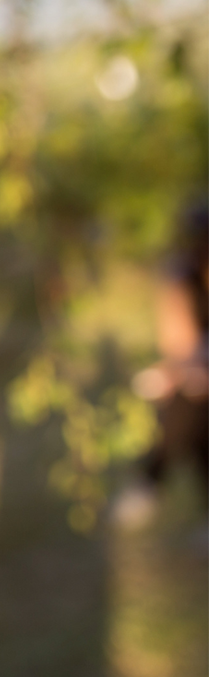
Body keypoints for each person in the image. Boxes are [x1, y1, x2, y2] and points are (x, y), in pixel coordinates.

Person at [118, 197, 209, 530]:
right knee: (194, 407)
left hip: (194, 381)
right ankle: (150, 482)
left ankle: (149, 481)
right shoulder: (180, 279)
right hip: (193, 377)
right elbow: (179, 343)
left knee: (190, 413)